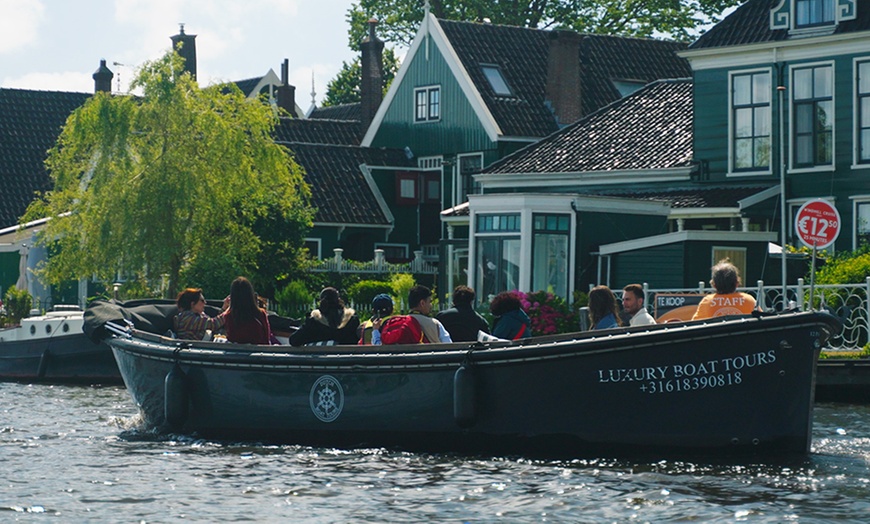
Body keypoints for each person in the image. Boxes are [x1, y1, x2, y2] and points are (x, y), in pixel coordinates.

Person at [373, 285, 452, 344]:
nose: (431, 305)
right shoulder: (435, 324)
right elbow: (448, 345)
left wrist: (375, 331)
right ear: (422, 303)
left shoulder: (396, 323)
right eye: (430, 302)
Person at [290, 287, 360, 346]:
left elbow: (294, 340)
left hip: (319, 361)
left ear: (321, 302)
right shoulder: (352, 320)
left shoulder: (313, 322)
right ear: (339, 301)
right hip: (347, 360)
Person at [692, 260, 757, 320]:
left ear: (714, 285)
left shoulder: (706, 302)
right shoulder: (749, 301)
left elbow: (695, 325)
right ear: (737, 283)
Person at [224, 276, 272, 344]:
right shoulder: (261, 314)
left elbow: (230, 338)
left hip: (235, 353)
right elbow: (267, 339)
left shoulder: (229, 316)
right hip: (259, 352)